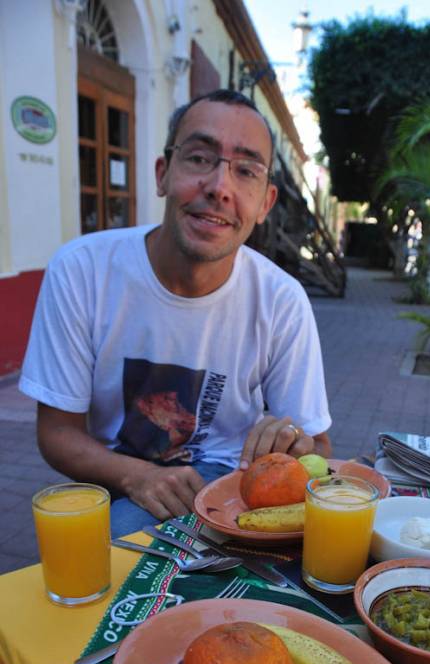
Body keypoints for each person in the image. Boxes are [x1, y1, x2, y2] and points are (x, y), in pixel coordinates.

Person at [20, 89, 332, 537]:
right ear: (163, 174)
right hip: (114, 479)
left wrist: (294, 442)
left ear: (265, 203)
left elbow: (318, 446)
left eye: (245, 170)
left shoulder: (282, 299)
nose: (220, 188)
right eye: (200, 158)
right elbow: (57, 432)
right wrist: (137, 476)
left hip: (230, 485)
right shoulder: (82, 270)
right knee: (105, 555)